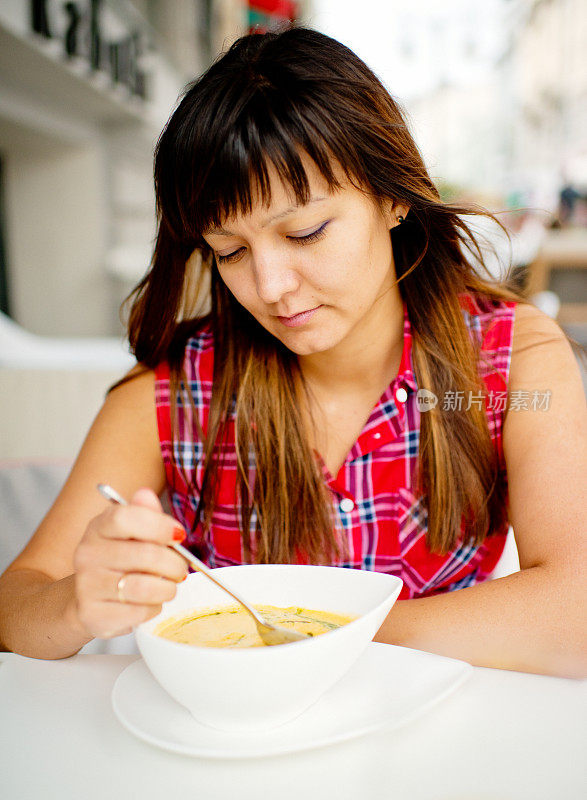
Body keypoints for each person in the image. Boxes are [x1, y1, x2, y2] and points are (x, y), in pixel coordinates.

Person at [0, 27, 585, 677]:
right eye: (231, 251)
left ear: (390, 197)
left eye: (304, 232)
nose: (271, 288)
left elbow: (574, 611)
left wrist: (316, 635)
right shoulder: (174, 393)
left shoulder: (507, 359)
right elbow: (16, 605)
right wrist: (76, 604)